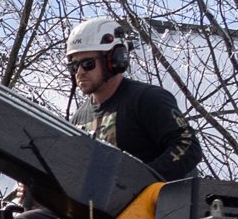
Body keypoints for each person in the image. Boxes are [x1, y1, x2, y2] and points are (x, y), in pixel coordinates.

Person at [62, 16, 201, 181]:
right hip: (98, 206)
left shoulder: (147, 99)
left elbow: (188, 145)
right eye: (73, 66)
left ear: (114, 60)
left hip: (154, 205)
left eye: (87, 64)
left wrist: (141, 183)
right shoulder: (78, 119)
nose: (79, 72)